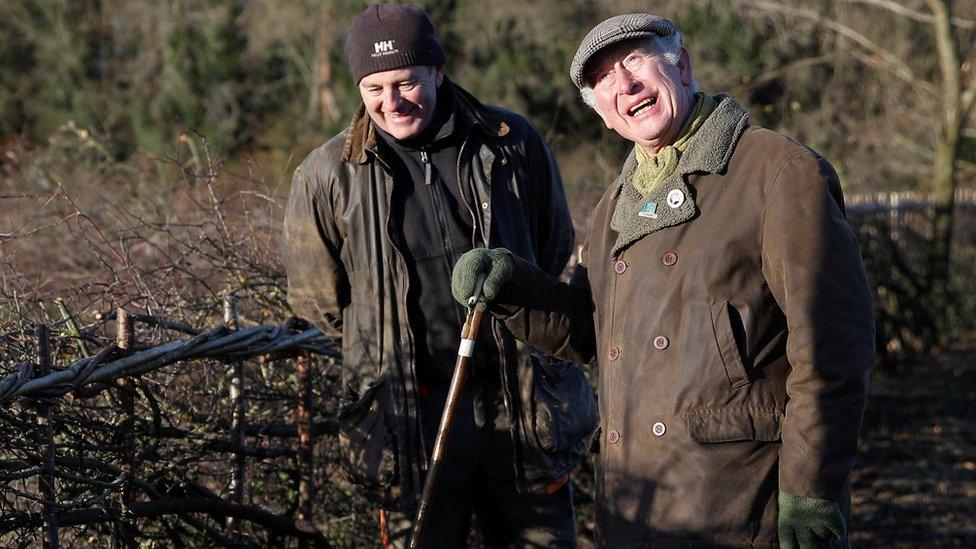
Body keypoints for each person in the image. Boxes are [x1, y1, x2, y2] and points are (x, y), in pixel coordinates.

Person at [452, 13, 875, 548]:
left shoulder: (777, 171)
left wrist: (812, 487)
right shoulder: (614, 207)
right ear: (604, 116)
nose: (624, 85)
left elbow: (834, 345)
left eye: (633, 60)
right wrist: (514, 288)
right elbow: (589, 330)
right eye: (602, 79)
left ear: (682, 64)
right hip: (639, 504)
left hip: (740, 502)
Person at [282, 3, 594, 547]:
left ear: (439, 72)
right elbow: (319, 302)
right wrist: (386, 342)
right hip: (407, 421)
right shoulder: (326, 173)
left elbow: (552, 248)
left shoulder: (512, 141)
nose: (392, 102)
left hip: (519, 405)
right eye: (374, 89)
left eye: (406, 82)